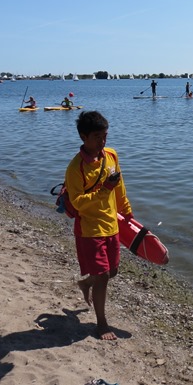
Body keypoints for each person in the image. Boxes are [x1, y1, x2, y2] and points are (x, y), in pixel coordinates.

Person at [64, 111, 134, 340]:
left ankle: (86, 283)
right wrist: (104, 190)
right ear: (83, 137)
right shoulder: (76, 168)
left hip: (111, 223)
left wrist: (126, 210)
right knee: (102, 275)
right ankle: (101, 324)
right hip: (89, 229)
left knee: (112, 271)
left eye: (105, 136)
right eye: (97, 137)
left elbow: (119, 185)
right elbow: (78, 202)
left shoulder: (111, 155)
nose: (102, 141)